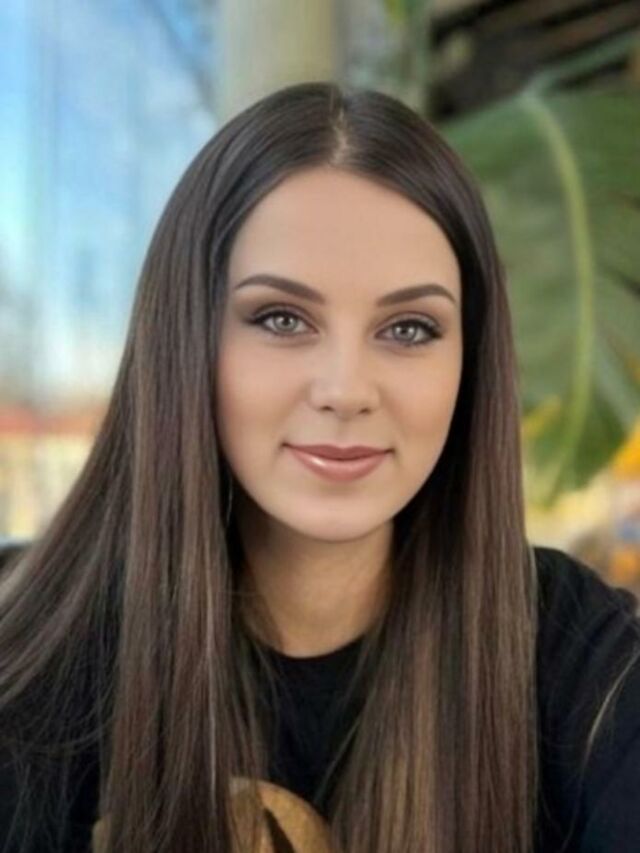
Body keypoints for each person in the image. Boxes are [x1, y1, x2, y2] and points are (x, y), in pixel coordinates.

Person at [1, 81, 639, 853]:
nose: (346, 389)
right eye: (281, 318)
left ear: (470, 362)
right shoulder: (26, 652)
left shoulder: (580, 660)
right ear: (189, 336)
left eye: (410, 328)